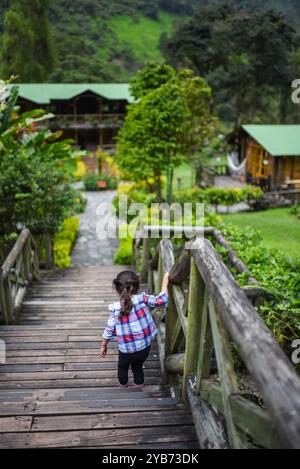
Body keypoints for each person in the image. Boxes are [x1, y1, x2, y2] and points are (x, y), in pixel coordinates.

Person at [100, 270, 169, 388]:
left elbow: (109, 329)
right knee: (137, 366)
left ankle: (123, 385)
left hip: (125, 351)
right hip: (143, 348)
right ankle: (138, 386)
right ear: (137, 287)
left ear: (117, 288)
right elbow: (161, 301)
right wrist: (165, 281)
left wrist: (104, 345)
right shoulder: (142, 299)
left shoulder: (115, 308)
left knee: (122, 367)